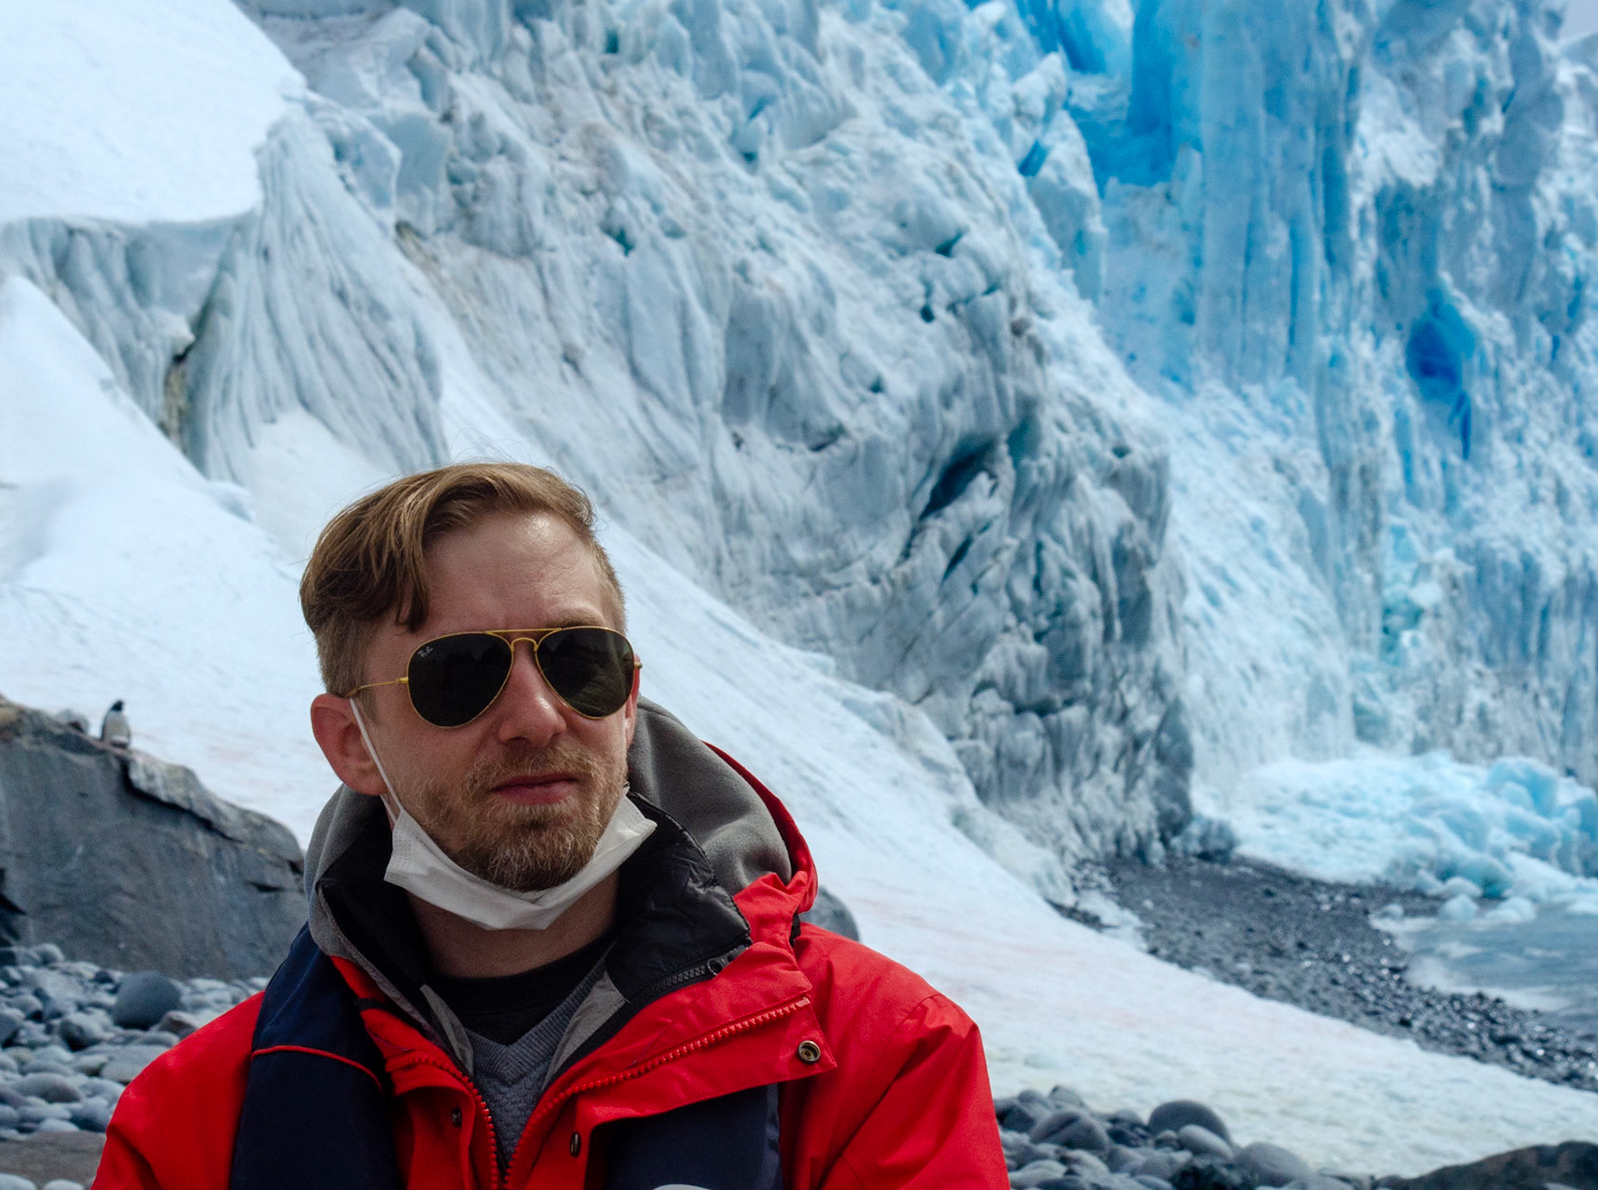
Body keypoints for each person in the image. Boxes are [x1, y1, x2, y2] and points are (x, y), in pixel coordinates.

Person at [93, 462, 1008, 1189]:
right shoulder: (190, 1128)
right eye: (457, 675)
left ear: (629, 696)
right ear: (351, 742)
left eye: (579, 659)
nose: (536, 714)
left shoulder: (883, 1059)